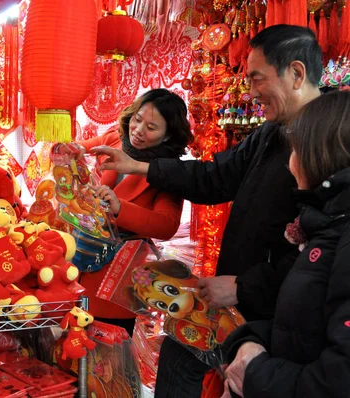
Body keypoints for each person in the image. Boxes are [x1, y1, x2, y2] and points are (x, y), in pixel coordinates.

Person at [90, 24, 323, 397]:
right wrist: (140, 166)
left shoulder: (327, 143)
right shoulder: (269, 134)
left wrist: (244, 288)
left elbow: (320, 248)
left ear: (296, 73)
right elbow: (214, 177)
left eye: (256, 79)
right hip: (241, 294)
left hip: (285, 313)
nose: (250, 92)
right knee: (181, 349)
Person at [222, 90, 350, 398]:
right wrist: (249, 342)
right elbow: (304, 329)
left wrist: (256, 373)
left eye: (295, 150)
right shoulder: (327, 226)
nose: (289, 164)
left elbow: (338, 379)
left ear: (318, 154)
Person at [55, 88, 194, 335]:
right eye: (138, 120)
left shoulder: (168, 173)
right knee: (71, 339)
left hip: (118, 273)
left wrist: (121, 208)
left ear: (167, 136)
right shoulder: (115, 140)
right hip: (80, 257)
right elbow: (84, 148)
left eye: (151, 128)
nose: (138, 130)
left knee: (109, 350)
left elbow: (167, 225)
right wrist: (70, 150)